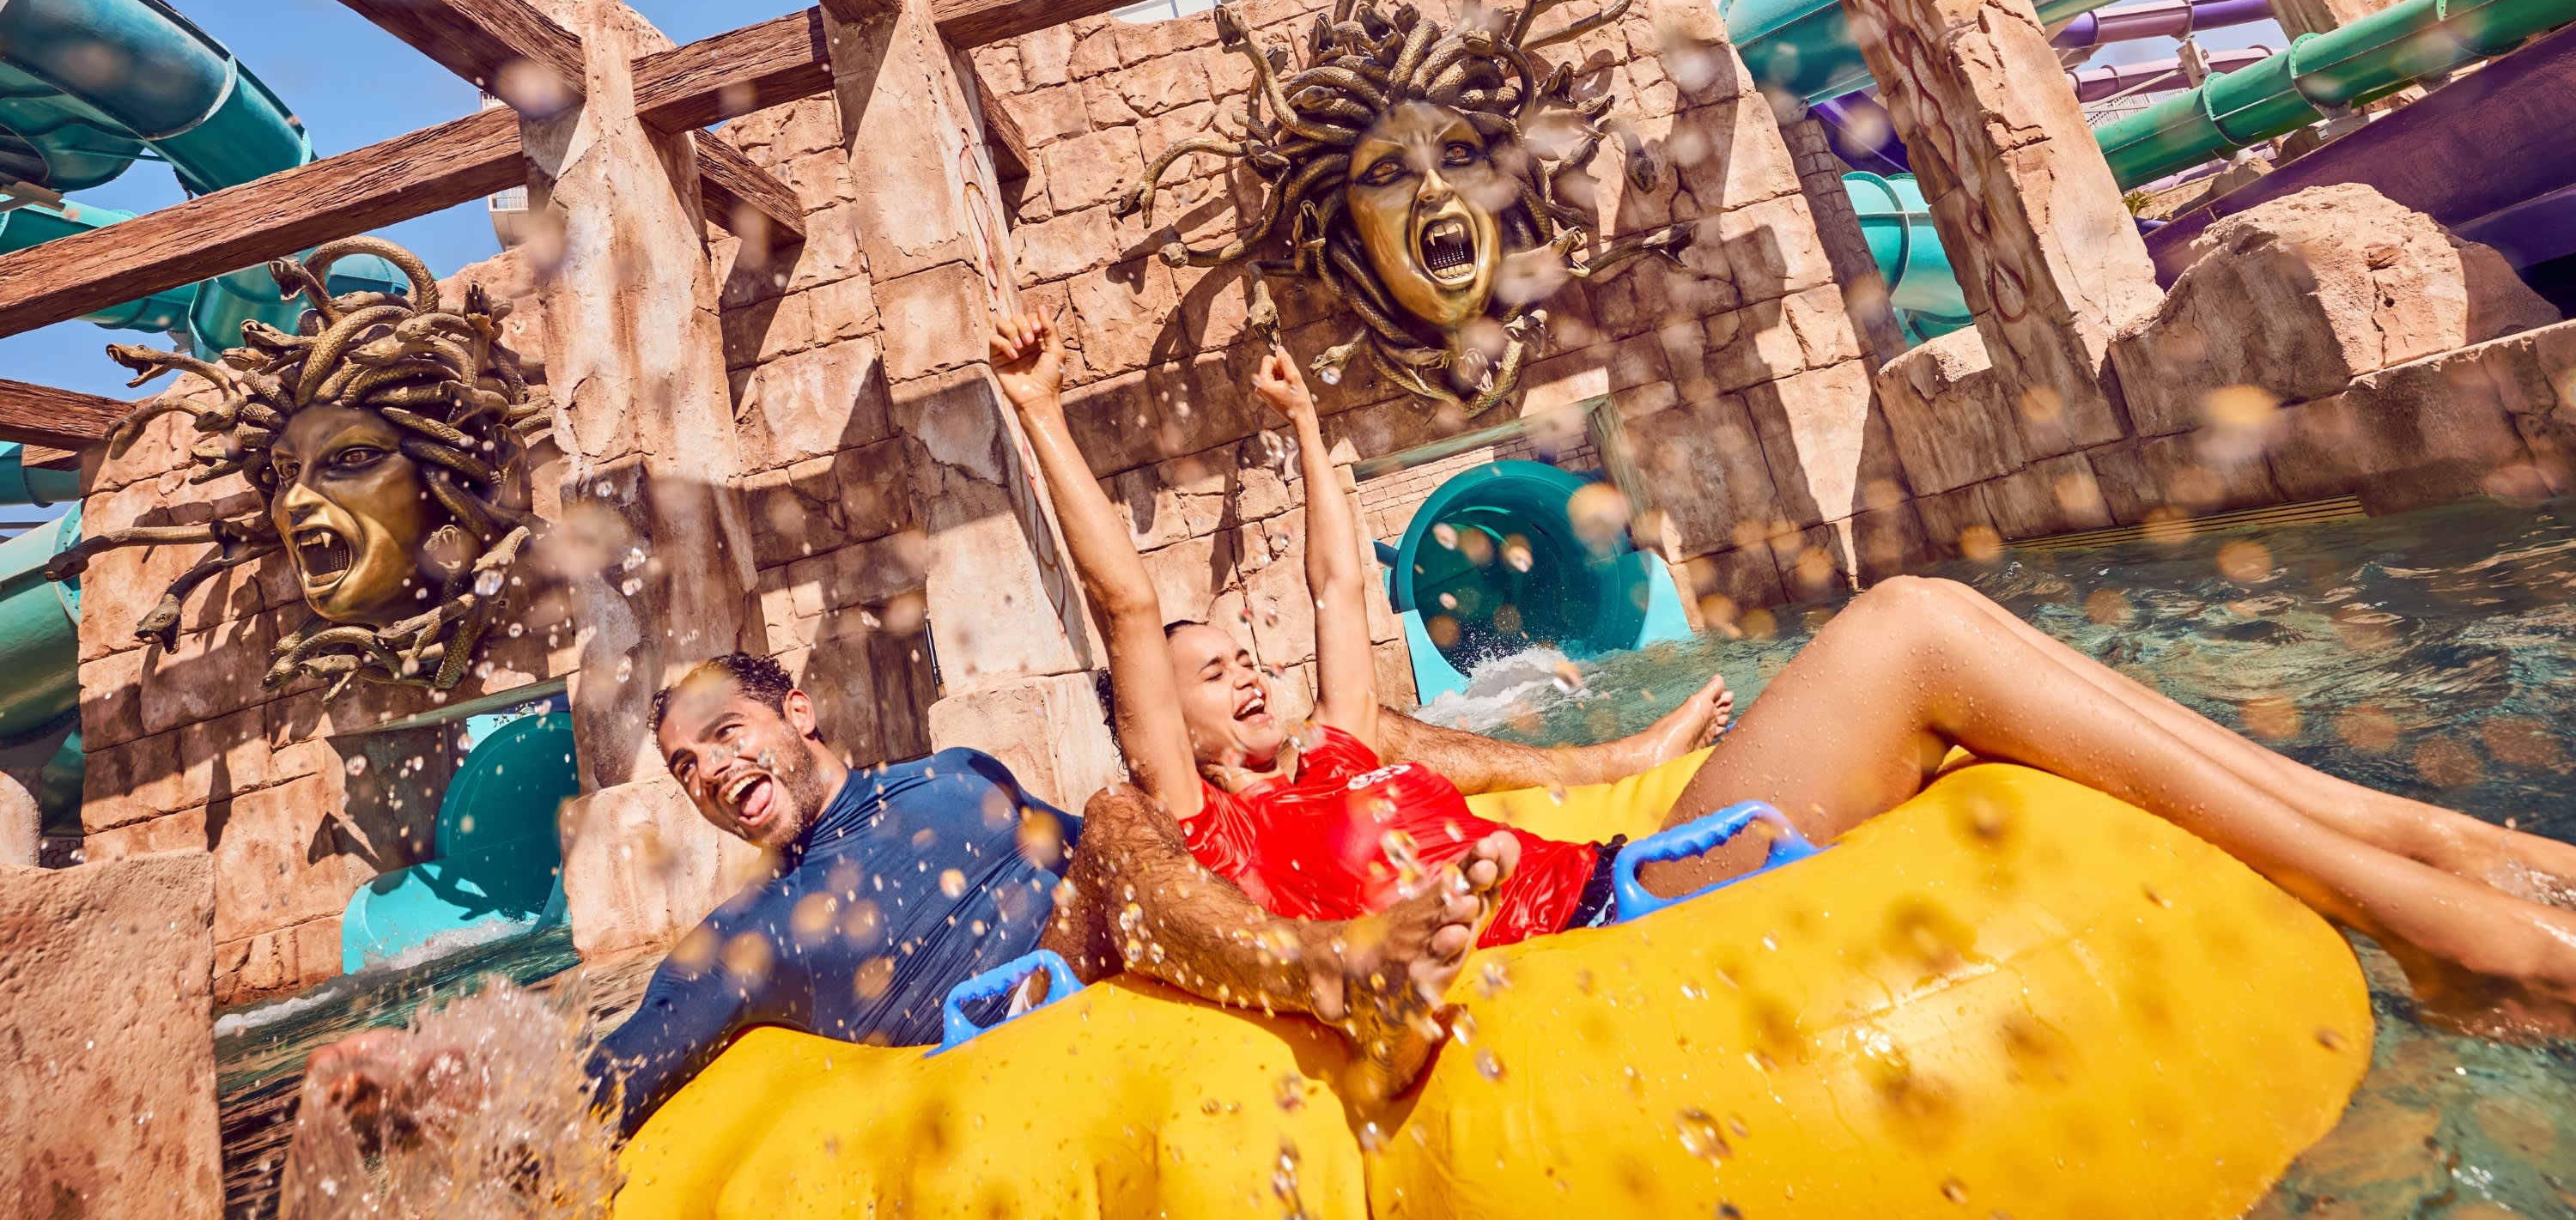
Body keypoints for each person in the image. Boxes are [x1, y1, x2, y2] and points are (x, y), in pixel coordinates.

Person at [992, 307, 2576, 1038]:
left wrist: (1307, 432)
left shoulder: (1348, 737)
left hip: (1617, 876)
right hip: (1615, 937)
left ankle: (2416, 843)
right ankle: (2420, 906)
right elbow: (1126, 599)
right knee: (1913, 627)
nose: (1245, 672)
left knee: (1951, 643)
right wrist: (1045, 414)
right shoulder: (1200, 827)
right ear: (1163, 730)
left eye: (1246, 653)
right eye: (1210, 675)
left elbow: (1340, 581)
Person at [305, 620, 1733, 1145]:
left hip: (1134, 923)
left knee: (1231, 776)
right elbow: (595, 1081)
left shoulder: (955, 774)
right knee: (1117, 816)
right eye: (686, 769)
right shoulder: (745, 938)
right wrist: (425, 1077)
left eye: (726, 735)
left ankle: (1576, 791)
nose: (712, 773)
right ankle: (1339, 976)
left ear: (798, 710)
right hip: (1026, 1017)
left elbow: (1136, 851)